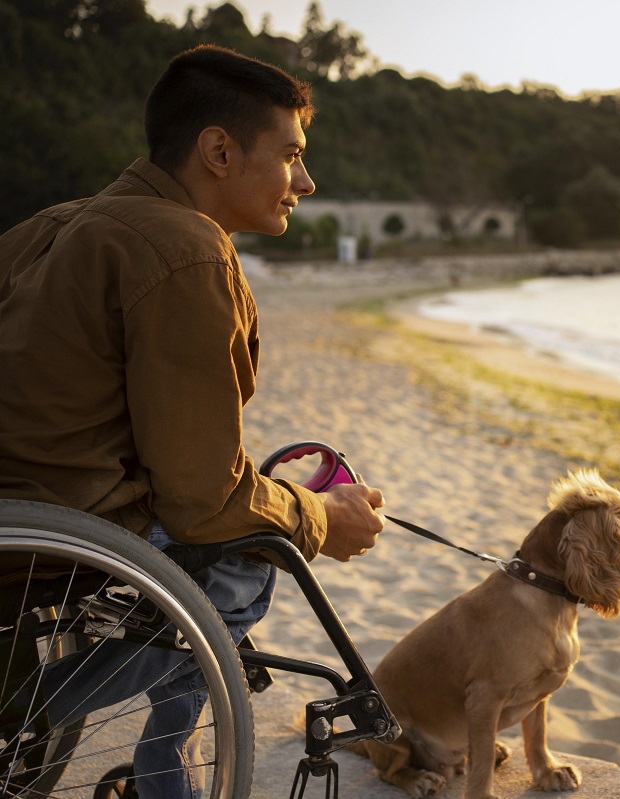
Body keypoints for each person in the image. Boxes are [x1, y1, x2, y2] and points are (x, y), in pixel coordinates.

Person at [0, 45, 386, 797]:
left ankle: (149, 758)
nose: (306, 182)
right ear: (217, 150)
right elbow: (202, 501)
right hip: (48, 540)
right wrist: (319, 517)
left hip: (23, 515)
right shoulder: (188, 251)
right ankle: (34, 718)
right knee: (250, 553)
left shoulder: (50, 224)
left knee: (239, 515)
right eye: (292, 156)